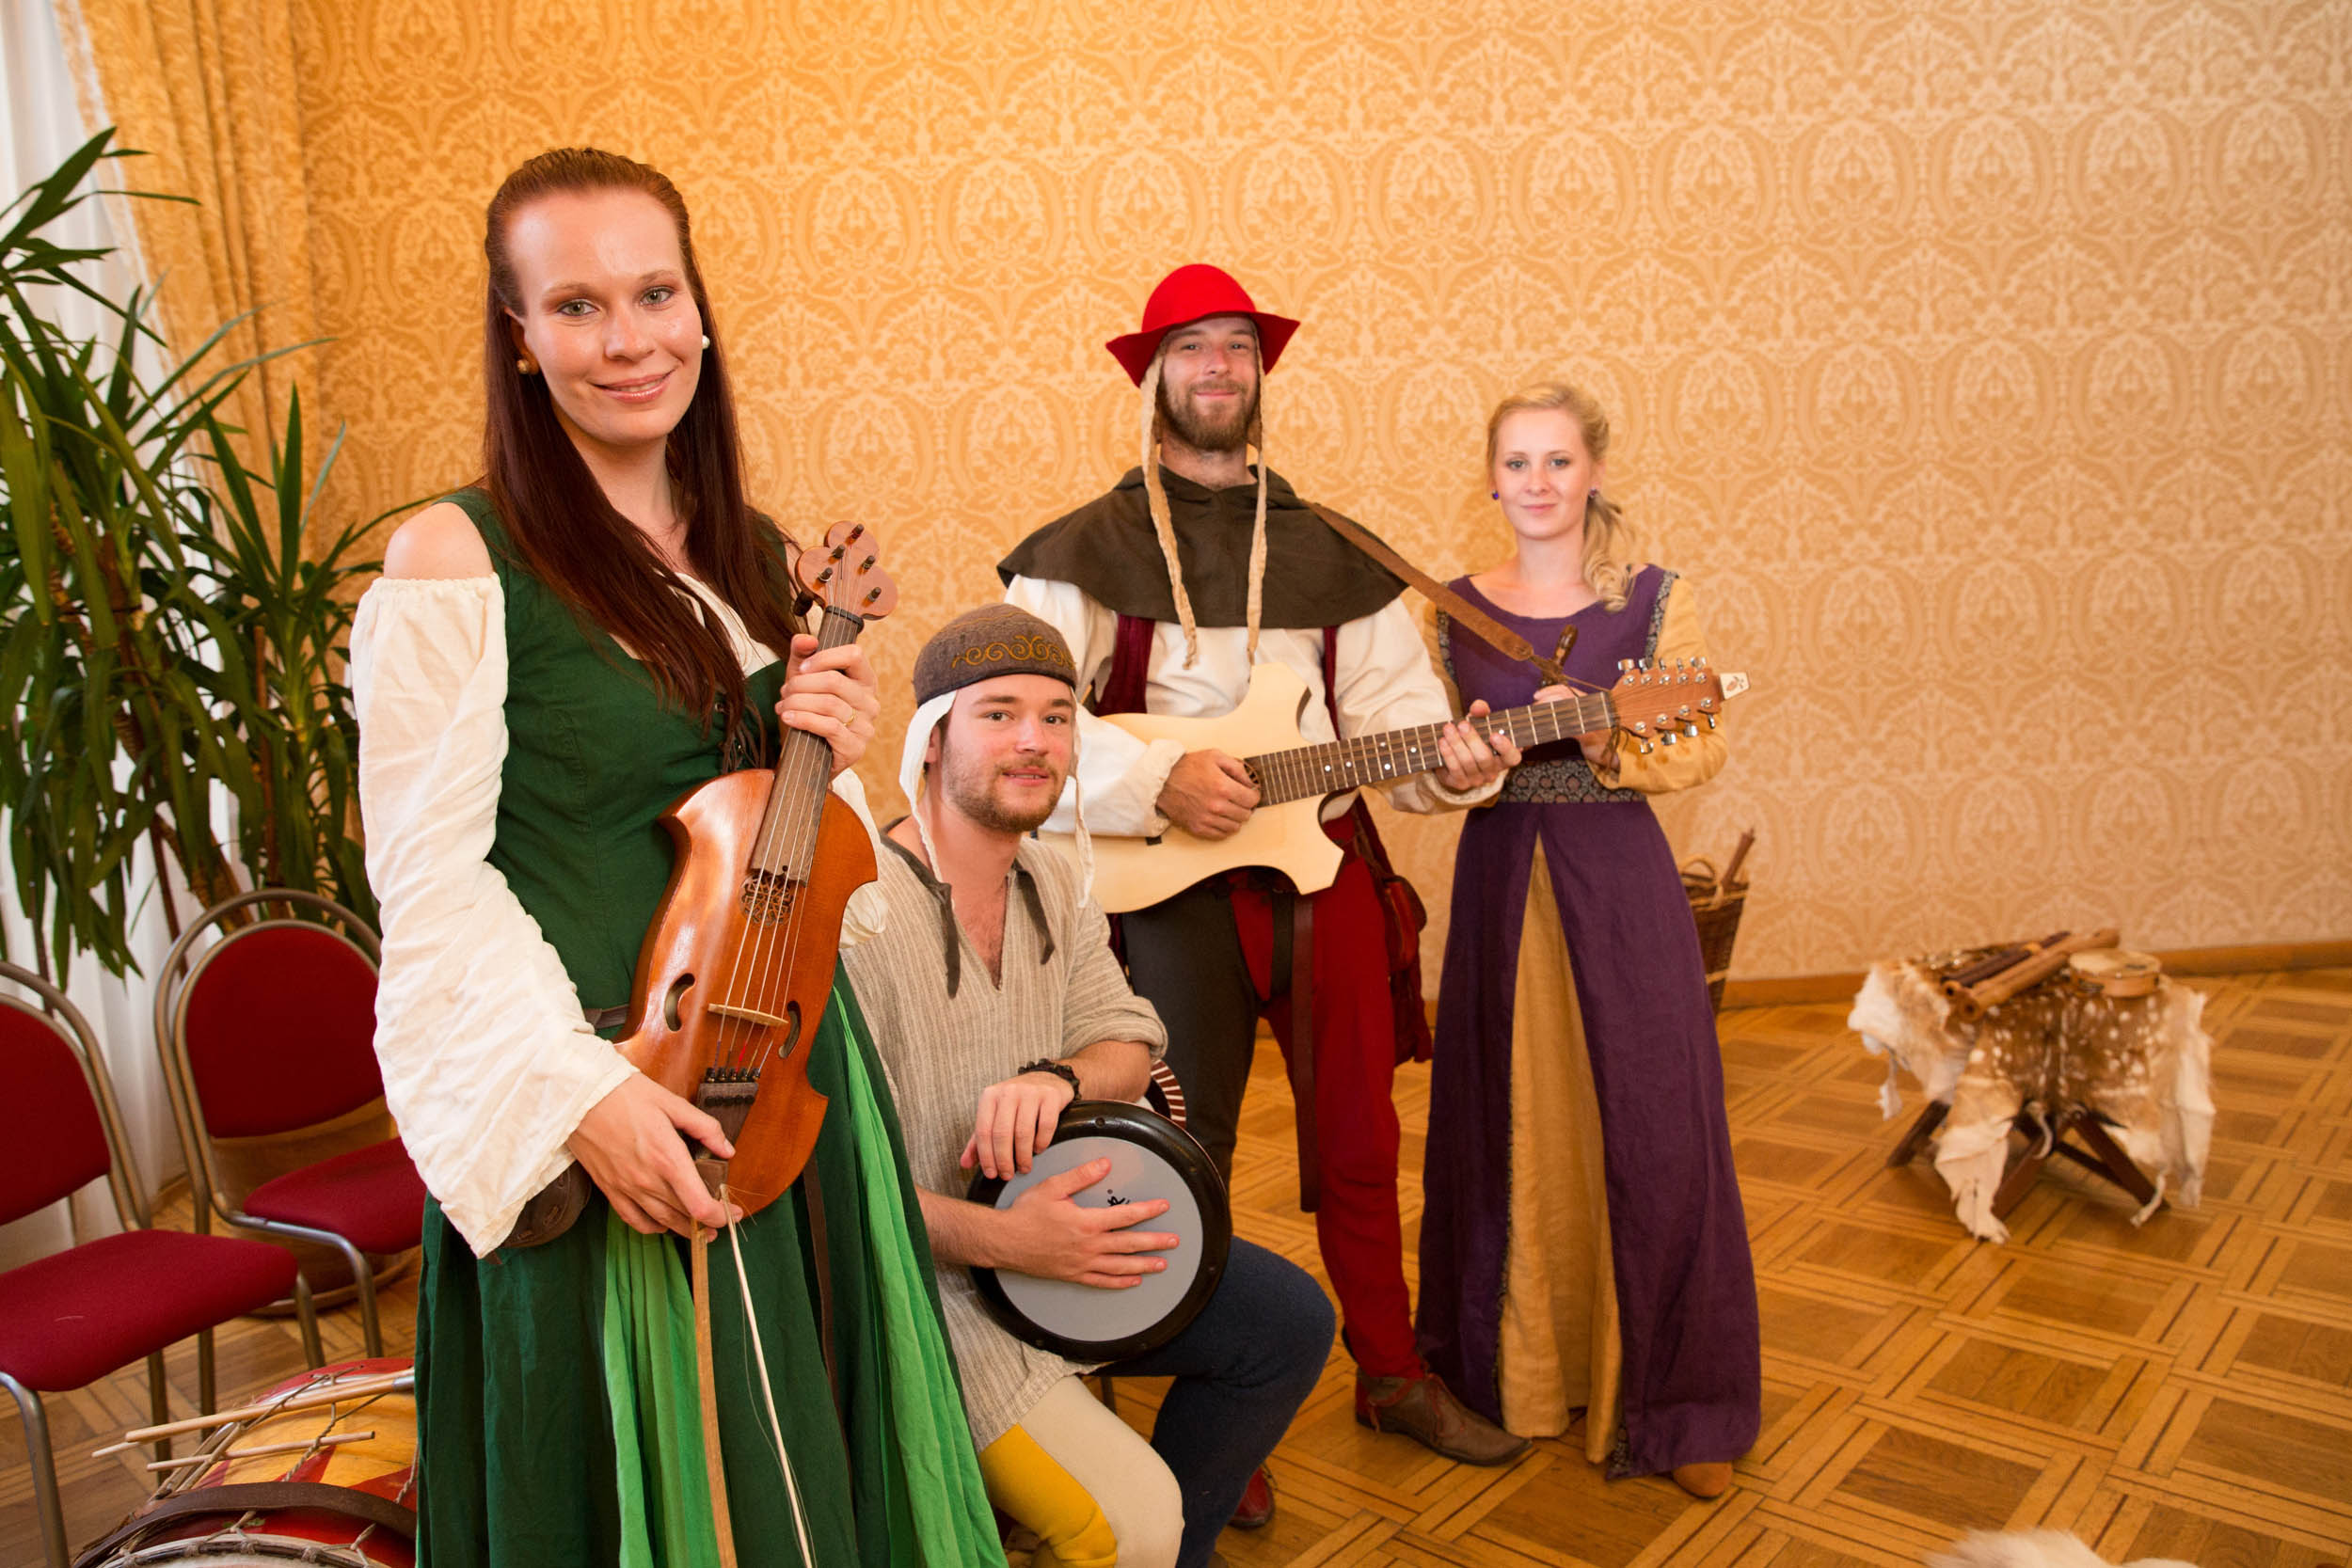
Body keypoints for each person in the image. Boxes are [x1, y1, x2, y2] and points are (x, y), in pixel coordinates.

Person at [352, 147, 998, 1566]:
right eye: (576, 305)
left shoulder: (755, 552)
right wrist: (582, 1098)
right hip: (609, 1089)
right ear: (519, 338)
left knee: (809, 1470)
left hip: (788, 1076)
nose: (630, 338)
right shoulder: (453, 557)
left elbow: (782, 846)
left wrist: (824, 739)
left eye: (655, 292)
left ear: (699, 307)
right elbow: (427, 882)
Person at [997, 264, 1526, 1465]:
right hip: (1157, 893)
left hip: (1324, 871)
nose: (1218, 366)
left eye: (1237, 345)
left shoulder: (1334, 549)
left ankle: (1389, 1371)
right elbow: (1022, 723)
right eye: (1192, 347)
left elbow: (1399, 731)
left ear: (1260, 373)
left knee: (1360, 1141)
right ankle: (1207, 1407)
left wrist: (1459, 762)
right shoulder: (1079, 551)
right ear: (1153, 376)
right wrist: (1153, 779)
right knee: (1180, 1149)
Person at [841, 603, 1334, 1568]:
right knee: (1134, 1524)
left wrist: (1057, 1075)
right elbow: (834, 1186)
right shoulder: (858, 910)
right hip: (935, 1296)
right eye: (998, 714)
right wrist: (1007, 1238)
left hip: (1061, 1250)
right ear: (932, 739)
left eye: (1056, 716)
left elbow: (1131, 1037)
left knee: (1288, 1324)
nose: (1033, 739)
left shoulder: (1055, 879)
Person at [1414, 382, 1762, 1498]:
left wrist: (1607, 737)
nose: (1538, 482)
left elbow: (1698, 742)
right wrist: (1458, 767)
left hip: (1619, 880)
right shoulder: (1447, 613)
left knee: (1657, 1128)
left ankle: (1676, 1402)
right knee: (1507, 1118)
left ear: (1594, 471)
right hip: (1500, 879)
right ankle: (1513, 1376)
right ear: (1490, 479)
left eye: (1558, 460)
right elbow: (1423, 765)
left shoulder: (1655, 600)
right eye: (1517, 462)